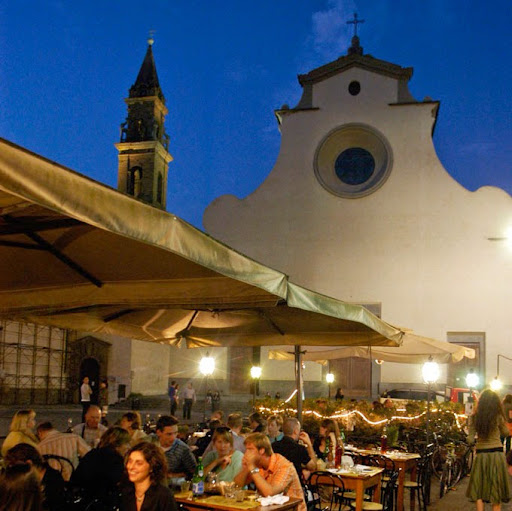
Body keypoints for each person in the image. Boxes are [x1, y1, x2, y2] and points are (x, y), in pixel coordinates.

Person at [234, 433, 306, 511]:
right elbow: (237, 485)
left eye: (250, 449)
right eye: (246, 450)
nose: (246, 453)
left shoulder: (284, 466)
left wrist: (251, 467)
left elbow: (270, 493)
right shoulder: (257, 464)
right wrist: (246, 468)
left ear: (261, 451)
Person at [466, 389, 510, 511]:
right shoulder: (498, 417)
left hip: (481, 455)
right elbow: (506, 433)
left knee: (478, 488)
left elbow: (470, 439)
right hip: (497, 454)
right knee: (496, 488)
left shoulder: (475, 417)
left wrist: (471, 439)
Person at [71, 426, 131, 508]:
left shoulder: (92, 454)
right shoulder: (116, 459)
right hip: (102, 503)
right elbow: (116, 483)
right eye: (127, 443)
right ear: (118, 444)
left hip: (82, 500)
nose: (129, 447)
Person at [4, 442, 67, 511]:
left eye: (15, 468)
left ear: (29, 464)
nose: (12, 473)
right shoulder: (25, 482)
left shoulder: (53, 481)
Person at [121, 442, 178, 511]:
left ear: (152, 467)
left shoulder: (163, 495)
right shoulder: (125, 493)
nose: (131, 467)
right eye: (130, 461)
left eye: (139, 463)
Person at [272, 417, 317, 483]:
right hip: (294, 484)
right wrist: (309, 445)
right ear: (295, 431)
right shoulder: (299, 449)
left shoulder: (273, 446)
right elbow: (313, 467)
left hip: (276, 482)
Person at [153, 415, 196, 480]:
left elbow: (193, 472)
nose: (173, 437)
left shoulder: (182, 449)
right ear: (158, 432)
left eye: (175, 433)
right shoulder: (150, 445)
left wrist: (172, 475)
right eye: (169, 434)